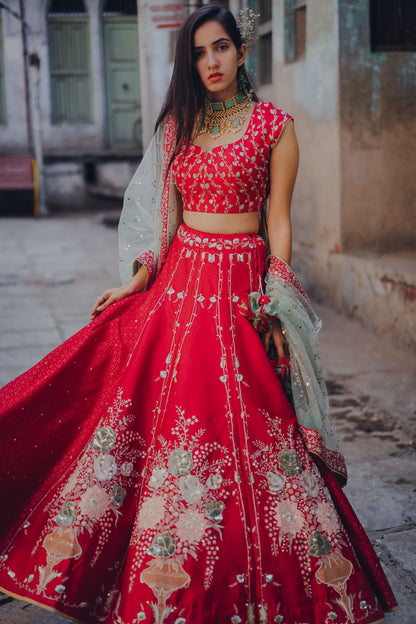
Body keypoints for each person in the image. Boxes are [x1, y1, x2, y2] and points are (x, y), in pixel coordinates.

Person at [0, 5, 397, 624]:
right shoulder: (179, 129)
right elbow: (162, 219)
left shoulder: (273, 126)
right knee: (147, 416)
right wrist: (134, 282)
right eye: (197, 53)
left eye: (219, 48)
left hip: (241, 293)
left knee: (256, 429)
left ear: (242, 52)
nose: (209, 62)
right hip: (179, 291)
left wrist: (273, 299)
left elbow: (280, 222)